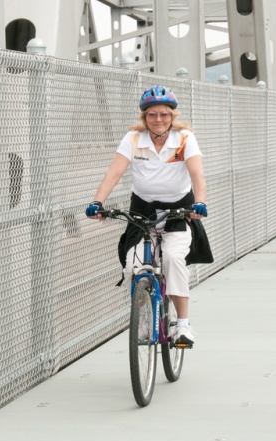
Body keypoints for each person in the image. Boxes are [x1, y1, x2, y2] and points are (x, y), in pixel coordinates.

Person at [85, 85, 211, 347]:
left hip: (178, 211)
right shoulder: (133, 139)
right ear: (144, 117)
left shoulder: (184, 138)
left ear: (172, 116)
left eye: (164, 114)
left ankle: (183, 325)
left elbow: (197, 174)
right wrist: (98, 202)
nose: (158, 119)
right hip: (142, 212)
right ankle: (143, 318)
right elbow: (114, 173)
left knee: (173, 259)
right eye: (152, 115)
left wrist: (199, 202)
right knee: (134, 266)